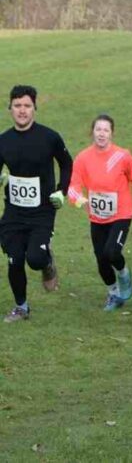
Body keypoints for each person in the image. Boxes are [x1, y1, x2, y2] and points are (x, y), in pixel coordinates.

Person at [0, 85, 72, 323]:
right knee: (14, 259)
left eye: (27, 106)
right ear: (10, 108)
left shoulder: (49, 137)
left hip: (41, 211)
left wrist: (62, 191)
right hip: (13, 211)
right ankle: (21, 307)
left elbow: (66, 163)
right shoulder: (4, 140)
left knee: (35, 259)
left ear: (34, 109)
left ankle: (47, 260)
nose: (22, 111)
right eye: (18, 106)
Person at [68, 114, 132, 311]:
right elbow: (73, 185)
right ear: (92, 132)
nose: (101, 134)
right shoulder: (83, 158)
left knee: (112, 252)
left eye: (106, 130)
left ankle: (124, 274)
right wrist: (79, 199)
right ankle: (113, 293)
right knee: (101, 259)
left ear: (112, 133)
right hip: (97, 217)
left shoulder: (122, 156)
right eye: (98, 129)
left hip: (121, 213)